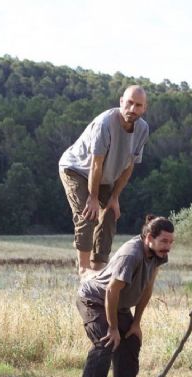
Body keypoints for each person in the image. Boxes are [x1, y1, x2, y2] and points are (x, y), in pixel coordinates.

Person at [75, 215, 174, 377]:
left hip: (117, 304)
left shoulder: (158, 255)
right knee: (106, 340)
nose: (168, 246)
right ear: (148, 238)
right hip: (93, 299)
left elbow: (147, 288)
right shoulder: (131, 255)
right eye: (164, 241)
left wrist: (136, 323)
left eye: (171, 242)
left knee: (131, 341)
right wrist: (113, 327)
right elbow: (112, 290)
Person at [59, 85, 149, 277]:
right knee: (88, 213)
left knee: (109, 214)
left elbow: (129, 165)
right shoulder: (105, 123)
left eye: (138, 105)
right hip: (77, 169)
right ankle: (84, 270)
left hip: (106, 176)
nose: (133, 109)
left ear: (144, 108)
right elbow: (95, 165)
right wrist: (92, 197)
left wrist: (114, 197)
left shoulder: (142, 129)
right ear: (121, 102)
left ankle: (98, 269)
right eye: (130, 103)